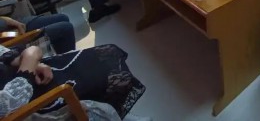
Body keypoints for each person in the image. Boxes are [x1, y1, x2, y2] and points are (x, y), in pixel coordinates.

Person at [0, 43, 150, 120]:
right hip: (24, 102)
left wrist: (25, 61)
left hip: (22, 72)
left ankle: (117, 113)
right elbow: (8, 106)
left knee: (107, 53)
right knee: (106, 76)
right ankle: (108, 114)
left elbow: (3, 53)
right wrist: (30, 58)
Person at [0, 14, 75, 54]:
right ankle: (69, 69)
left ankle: (64, 63)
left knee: (62, 18)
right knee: (66, 28)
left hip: (7, 25)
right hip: (7, 42)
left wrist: (8, 20)